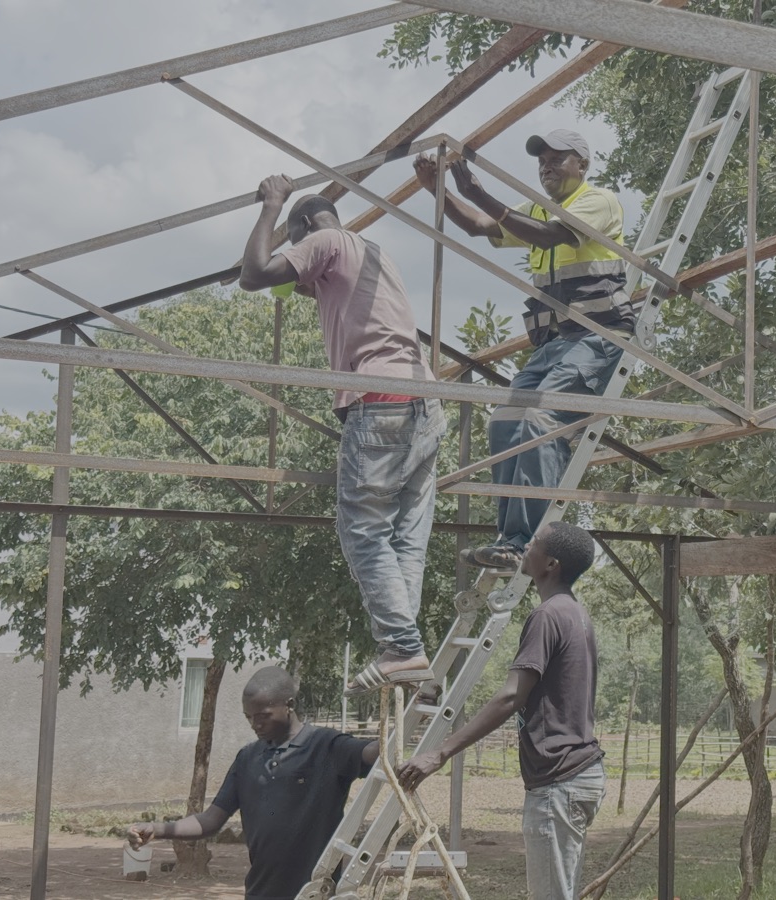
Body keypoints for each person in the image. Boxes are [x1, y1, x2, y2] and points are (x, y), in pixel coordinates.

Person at [239, 176, 446, 692]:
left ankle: (402, 645)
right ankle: (407, 651)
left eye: (296, 239)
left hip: (380, 403)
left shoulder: (327, 239)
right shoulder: (373, 255)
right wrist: (294, 273)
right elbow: (301, 284)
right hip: (424, 403)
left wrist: (271, 207)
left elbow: (255, 274)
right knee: (406, 537)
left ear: (307, 226)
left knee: (362, 528)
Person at [413, 130, 635, 571]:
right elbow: (480, 226)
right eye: (542, 160)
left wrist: (480, 191)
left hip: (597, 335)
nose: (546, 165)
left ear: (582, 165)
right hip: (555, 343)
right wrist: (439, 192)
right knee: (504, 423)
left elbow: (552, 236)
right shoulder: (536, 208)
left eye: (558, 158)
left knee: (542, 420)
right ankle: (509, 537)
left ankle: (526, 542)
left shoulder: (597, 200)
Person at [398, 521, 606, 900]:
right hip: (577, 775)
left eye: (535, 544)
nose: (526, 547)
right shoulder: (575, 613)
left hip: (560, 780)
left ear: (551, 564)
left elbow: (511, 697)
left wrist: (439, 752)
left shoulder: (547, 616)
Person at [127, 666, 379, 900]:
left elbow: (374, 753)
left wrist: (416, 742)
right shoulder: (247, 758)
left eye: (263, 716)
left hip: (314, 893)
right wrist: (158, 829)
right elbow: (210, 821)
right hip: (260, 892)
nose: (255, 724)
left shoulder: (327, 747)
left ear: (289, 705)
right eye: (248, 717)